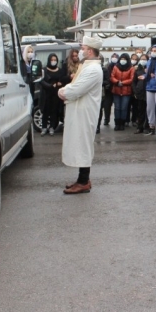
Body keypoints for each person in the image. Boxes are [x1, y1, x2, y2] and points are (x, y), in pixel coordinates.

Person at [59, 36, 104, 195]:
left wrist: (62, 91)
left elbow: (75, 90)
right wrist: (67, 90)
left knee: (83, 144)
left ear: (90, 51)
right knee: (80, 143)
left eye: (83, 48)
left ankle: (84, 181)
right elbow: (74, 85)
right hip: (80, 110)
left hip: (85, 112)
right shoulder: (87, 66)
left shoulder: (93, 69)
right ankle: (82, 179)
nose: (80, 51)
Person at [40, 53, 69, 136]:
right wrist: (51, 86)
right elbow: (41, 81)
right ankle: (44, 127)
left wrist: (60, 83)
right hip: (46, 93)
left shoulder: (59, 70)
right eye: (52, 60)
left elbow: (62, 79)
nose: (53, 62)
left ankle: (52, 127)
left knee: (54, 111)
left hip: (55, 94)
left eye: (55, 60)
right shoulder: (44, 70)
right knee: (45, 111)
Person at [110, 53, 135, 131]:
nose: (122, 60)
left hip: (126, 91)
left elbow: (132, 79)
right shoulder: (116, 67)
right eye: (121, 59)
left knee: (124, 108)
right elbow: (112, 77)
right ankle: (117, 123)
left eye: (124, 59)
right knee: (117, 108)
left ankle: (122, 123)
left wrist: (122, 83)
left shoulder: (131, 68)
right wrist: (117, 82)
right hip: (116, 90)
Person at [133, 54, 150, 134]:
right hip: (140, 93)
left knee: (148, 111)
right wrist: (135, 91)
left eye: (145, 59)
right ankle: (139, 127)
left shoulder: (149, 69)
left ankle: (147, 126)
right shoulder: (137, 70)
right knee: (140, 111)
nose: (143, 61)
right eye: (142, 59)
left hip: (148, 92)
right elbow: (134, 82)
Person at [101, 53, 118, 126]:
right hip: (108, 89)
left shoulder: (119, 66)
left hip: (117, 88)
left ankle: (117, 120)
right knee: (107, 105)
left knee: (117, 106)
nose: (114, 58)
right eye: (113, 57)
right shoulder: (107, 67)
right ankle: (106, 119)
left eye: (116, 57)